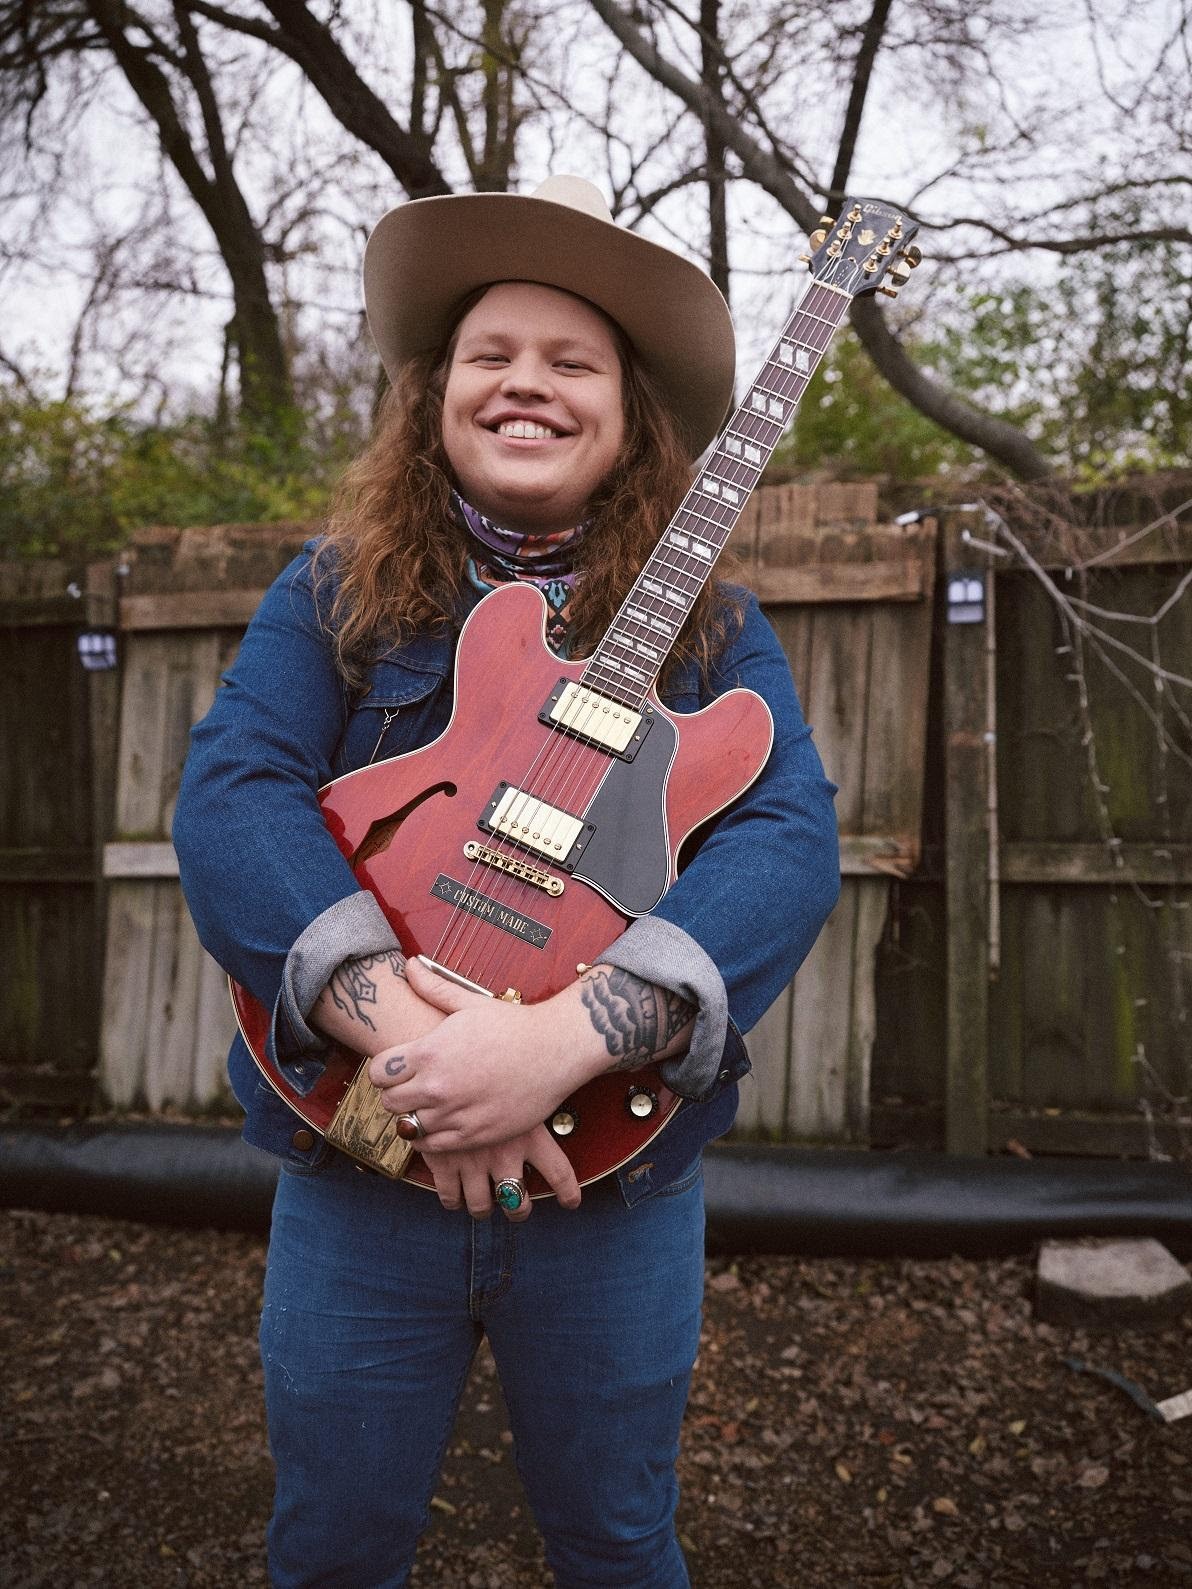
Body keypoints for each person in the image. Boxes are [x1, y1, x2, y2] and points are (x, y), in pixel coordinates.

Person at [173, 174, 840, 1588]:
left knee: (616, 1541)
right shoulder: (336, 590)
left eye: (572, 361)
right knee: (334, 1547)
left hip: (611, 1176)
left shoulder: (715, 630)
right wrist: (415, 1045)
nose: (527, 382)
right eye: (491, 352)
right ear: (435, 397)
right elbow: (234, 794)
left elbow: (788, 841)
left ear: (630, 415)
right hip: (357, 1156)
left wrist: (553, 1045)